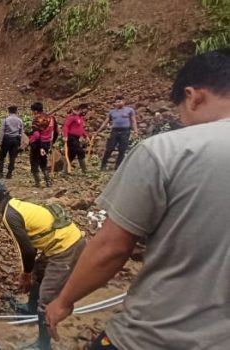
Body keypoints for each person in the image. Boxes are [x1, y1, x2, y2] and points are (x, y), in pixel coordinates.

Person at [45, 49, 230, 350]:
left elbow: (111, 248)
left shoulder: (165, 151)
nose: (182, 123)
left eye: (181, 112)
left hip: (155, 336)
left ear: (193, 96)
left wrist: (63, 301)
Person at [0, 179, 85, 350]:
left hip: (66, 248)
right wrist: (31, 272)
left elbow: (28, 251)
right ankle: (30, 310)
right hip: (59, 241)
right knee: (38, 272)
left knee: (46, 298)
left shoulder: (9, 216)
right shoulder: (16, 204)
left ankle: (43, 344)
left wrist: (25, 274)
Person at [96, 96, 138, 171]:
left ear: (124, 101)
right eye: (117, 102)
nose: (118, 103)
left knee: (122, 149)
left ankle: (118, 167)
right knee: (110, 148)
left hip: (125, 131)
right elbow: (105, 122)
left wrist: (135, 131)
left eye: (120, 101)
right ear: (115, 103)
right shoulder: (112, 112)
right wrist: (98, 131)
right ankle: (103, 165)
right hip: (115, 131)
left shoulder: (129, 110)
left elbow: (133, 120)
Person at [28, 102, 58, 187]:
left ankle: (37, 183)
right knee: (43, 162)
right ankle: (48, 181)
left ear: (36, 111)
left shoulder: (37, 120)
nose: (32, 113)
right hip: (46, 143)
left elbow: (37, 135)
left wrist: (30, 140)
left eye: (33, 111)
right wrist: (52, 142)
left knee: (34, 162)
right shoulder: (51, 118)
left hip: (37, 144)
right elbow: (56, 132)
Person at [0, 106, 24, 179]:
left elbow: (2, 132)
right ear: (16, 111)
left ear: (9, 112)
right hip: (15, 140)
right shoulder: (20, 120)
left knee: (1, 156)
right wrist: (20, 143)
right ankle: (9, 173)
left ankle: (0, 173)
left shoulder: (5, 120)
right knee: (12, 158)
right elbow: (21, 133)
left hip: (6, 139)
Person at [62, 103, 89, 174]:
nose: (84, 113)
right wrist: (65, 136)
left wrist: (86, 136)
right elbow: (66, 126)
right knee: (81, 152)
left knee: (71, 155)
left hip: (76, 138)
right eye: (83, 111)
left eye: (86, 112)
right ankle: (84, 171)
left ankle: (64, 172)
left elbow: (81, 129)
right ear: (80, 109)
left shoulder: (81, 118)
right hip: (71, 137)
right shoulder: (72, 117)